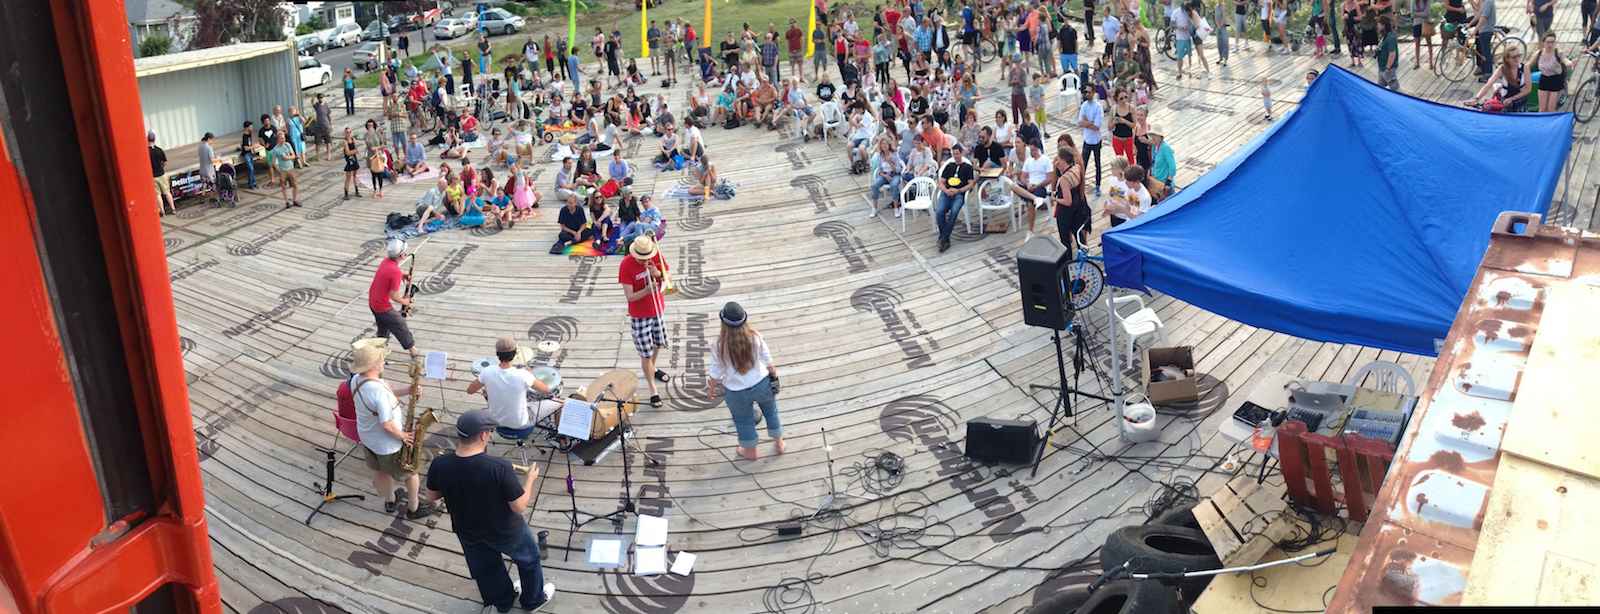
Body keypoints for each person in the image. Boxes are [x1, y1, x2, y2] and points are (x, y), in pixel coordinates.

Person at [424, 410, 556, 613]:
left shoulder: (440, 464)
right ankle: (533, 601)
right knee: (528, 560)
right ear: (483, 435)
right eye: (490, 432)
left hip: (466, 529)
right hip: (505, 529)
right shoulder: (499, 467)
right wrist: (530, 480)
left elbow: (432, 496)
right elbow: (519, 506)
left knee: (487, 568)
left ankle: (503, 602)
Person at [347, 344, 436, 521]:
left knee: (382, 471)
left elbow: (382, 398)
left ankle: (390, 500)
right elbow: (387, 424)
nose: (384, 362)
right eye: (381, 360)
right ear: (373, 365)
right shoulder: (379, 392)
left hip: (369, 438)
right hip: (388, 443)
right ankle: (413, 508)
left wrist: (407, 391)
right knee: (411, 473)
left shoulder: (357, 379)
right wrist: (403, 436)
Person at [707, 302, 783, 461]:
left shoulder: (718, 345)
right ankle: (779, 444)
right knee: (771, 411)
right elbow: (768, 361)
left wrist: (711, 389)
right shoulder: (755, 336)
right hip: (762, 383)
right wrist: (774, 378)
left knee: (743, 421)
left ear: (723, 323)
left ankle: (751, 452)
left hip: (736, 392)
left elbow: (715, 372)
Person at [619, 236, 672, 407]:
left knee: (657, 344)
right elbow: (630, 297)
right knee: (646, 354)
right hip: (640, 315)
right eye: (641, 259)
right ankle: (652, 389)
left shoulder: (654, 254)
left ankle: (651, 368)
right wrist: (647, 290)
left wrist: (657, 274)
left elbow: (667, 277)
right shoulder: (626, 265)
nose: (645, 261)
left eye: (647, 257)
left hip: (657, 310)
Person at [467, 337, 557, 431]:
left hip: (496, 421)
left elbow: (470, 391)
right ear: (515, 354)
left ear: (497, 354)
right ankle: (560, 436)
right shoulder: (523, 374)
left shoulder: (487, 372)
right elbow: (546, 390)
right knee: (561, 403)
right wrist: (531, 375)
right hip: (521, 423)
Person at [370, 239, 418, 357]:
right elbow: (394, 296)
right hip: (382, 306)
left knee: (384, 325)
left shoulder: (386, 261)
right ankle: (413, 350)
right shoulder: (395, 271)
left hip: (373, 302)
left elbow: (388, 274)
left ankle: (380, 349)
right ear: (401, 255)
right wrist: (405, 301)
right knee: (400, 324)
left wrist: (402, 275)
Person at [935, 144, 976, 253]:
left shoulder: (967, 167)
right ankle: (945, 239)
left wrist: (959, 190)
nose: (956, 156)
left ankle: (943, 238)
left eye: (957, 153)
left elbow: (971, 184)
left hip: (959, 194)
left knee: (954, 212)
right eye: (954, 154)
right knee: (939, 212)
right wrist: (946, 190)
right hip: (946, 193)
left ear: (961, 153)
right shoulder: (949, 166)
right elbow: (941, 182)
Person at [1076, 88, 1105, 194]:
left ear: (1093, 93)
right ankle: (1080, 185)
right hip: (1087, 139)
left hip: (1096, 140)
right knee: (1083, 164)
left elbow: (1097, 126)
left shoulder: (1098, 107)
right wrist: (1090, 122)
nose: (1087, 94)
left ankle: (1098, 185)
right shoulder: (1084, 106)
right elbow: (1079, 123)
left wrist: (1086, 122)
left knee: (1097, 163)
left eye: (1089, 92)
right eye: (1085, 92)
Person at [271, 135, 300, 209]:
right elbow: (273, 162)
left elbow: (294, 155)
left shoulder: (287, 145)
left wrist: (287, 158)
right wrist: (279, 171)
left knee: (295, 185)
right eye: (281, 138)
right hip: (282, 170)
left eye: (284, 138)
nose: (283, 140)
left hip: (291, 169)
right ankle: (287, 202)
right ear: (278, 139)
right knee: (283, 187)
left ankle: (295, 200)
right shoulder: (275, 149)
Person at [1375, 17, 1401, 91]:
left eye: (1378, 24)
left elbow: (1392, 54)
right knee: (1380, 90)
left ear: (1383, 25)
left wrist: (1388, 68)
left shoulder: (1390, 37)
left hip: (1388, 69)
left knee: (1395, 89)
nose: (1377, 26)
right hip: (1382, 67)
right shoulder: (1384, 36)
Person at [342, 128, 363, 199]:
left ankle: (357, 191)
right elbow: (348, 153)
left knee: (355, 176)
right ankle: (346, 194)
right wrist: (355, 151)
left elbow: (356, 150)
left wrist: (354, 151)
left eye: (349, 132)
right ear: (345, 133)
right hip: (349, 160)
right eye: (347, 132)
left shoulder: (353, 139)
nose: (348, 133)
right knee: (348, 177)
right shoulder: (345, 141)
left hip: (354, 159)